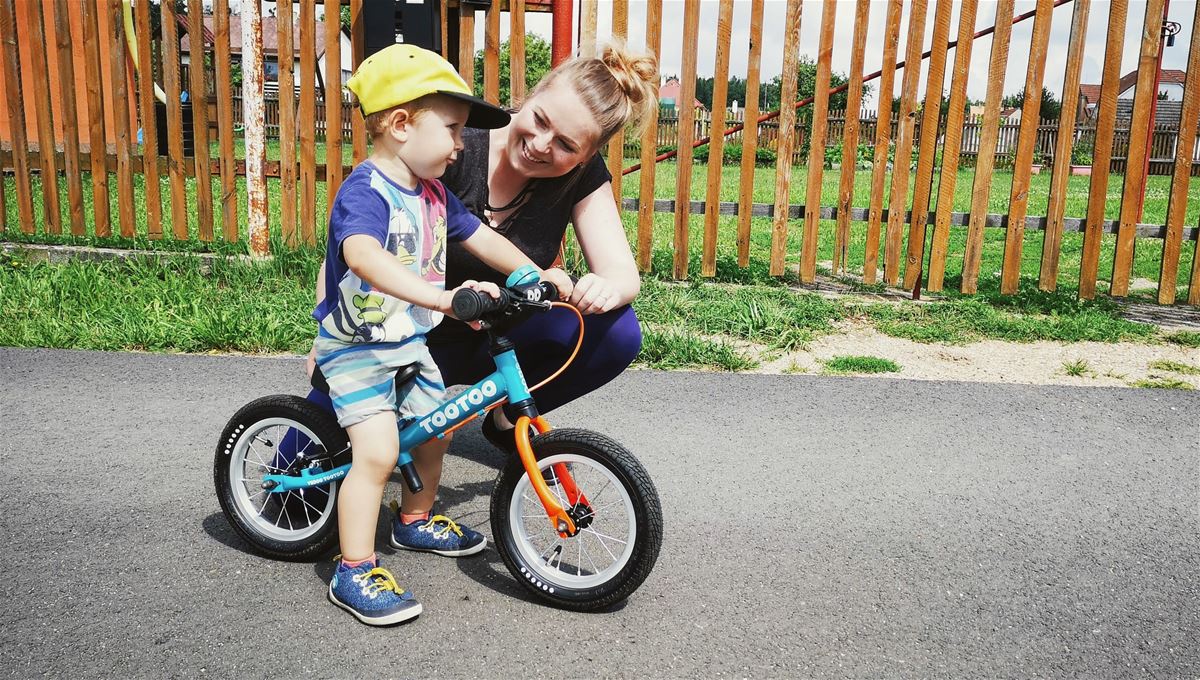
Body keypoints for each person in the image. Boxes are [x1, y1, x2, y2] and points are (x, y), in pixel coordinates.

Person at [315, 44, 571, 627]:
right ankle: (352, 567)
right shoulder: (367, 191)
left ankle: (415, 520)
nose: (462, 146)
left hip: (407, 342)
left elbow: (480, 238)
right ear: (401, 125)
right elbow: (361, 254)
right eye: (453, 130)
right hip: (358, 348)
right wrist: (440, 298)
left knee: (435, 431)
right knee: (378, 453)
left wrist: (528, 274)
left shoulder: (433, 193)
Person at [308, 42, 660, 456]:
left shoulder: (580, 176)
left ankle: (507, 421)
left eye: (566, 145)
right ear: (531, 95)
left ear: (587, 157)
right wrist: (329, 336)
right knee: (300, 492)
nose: (541, 144)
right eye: (540, 120)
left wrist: (595, 288)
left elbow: (622, 274)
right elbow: (353, 247)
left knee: (616, 331)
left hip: (494, 331)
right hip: (403, 334)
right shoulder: (448, 145)